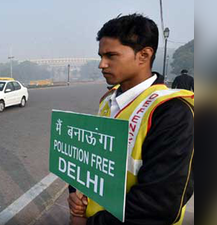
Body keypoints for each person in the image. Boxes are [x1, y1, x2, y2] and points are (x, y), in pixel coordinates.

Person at [68, 14, 194, 225]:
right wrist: (76, 194)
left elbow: (159, 205)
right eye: (100, 55)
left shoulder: (173, 112)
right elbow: (90, 161)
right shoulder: (108, 100)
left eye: (111, 56)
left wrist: (89, 223)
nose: (102, 64)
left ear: (144, 55)